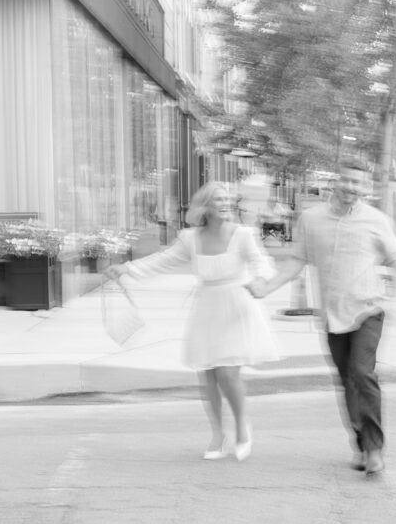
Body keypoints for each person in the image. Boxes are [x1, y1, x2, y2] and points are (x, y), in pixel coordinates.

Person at [249, 162, 396, 477]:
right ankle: (360, 442)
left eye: (358, 183)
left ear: (365, 188)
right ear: (336, 182)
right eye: (347, 180)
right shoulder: (312, 218)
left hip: (368, 310)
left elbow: (395, 258)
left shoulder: (376, 220)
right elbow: (296, 261)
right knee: (346, 381)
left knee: (363, 374)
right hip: (332, 315)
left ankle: (375, 448)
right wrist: (267, 287)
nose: (351, 187)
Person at [105, 182, 277, 461]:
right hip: (207, 307)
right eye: (218, 199)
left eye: (228, 199)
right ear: (205, 206)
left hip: (237, 305)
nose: (225, 204)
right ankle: (218, 434)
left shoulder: (243, 235)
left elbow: (261, 263)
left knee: (227, 372)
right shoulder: (190, 239)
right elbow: (163, 260)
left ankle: (243, 426)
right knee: (207, 373)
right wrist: (127, 268)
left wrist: (260, 281)